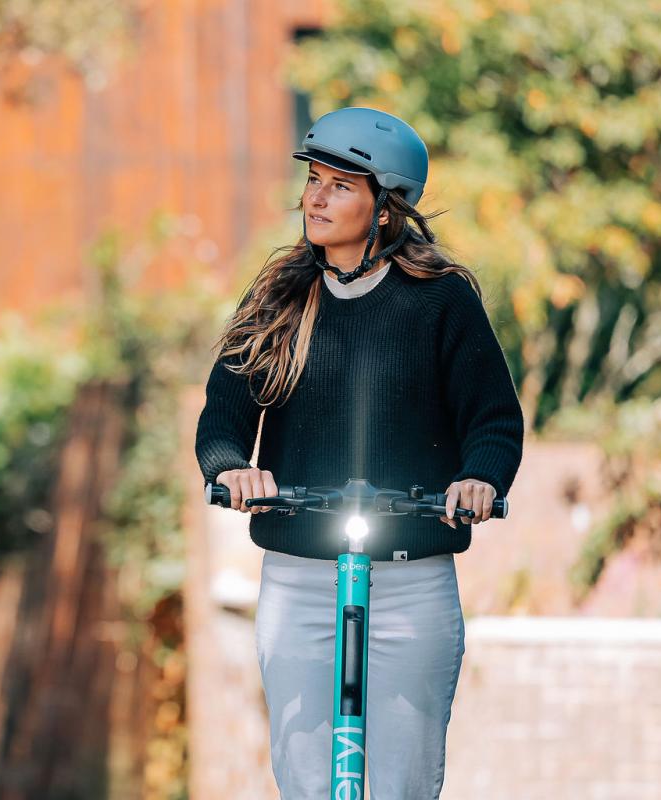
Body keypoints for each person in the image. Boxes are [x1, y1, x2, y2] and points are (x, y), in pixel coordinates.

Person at [192, 107, 525, 799]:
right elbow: (225, 413)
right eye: (314, 181)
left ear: (385, 207)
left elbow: (492, 419)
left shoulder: (440, 301)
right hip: (298, 577)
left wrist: (479, 480)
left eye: (340, 186)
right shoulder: (280, 296)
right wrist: (229, 467)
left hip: (412, 577)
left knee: (403, 783)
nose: (315, 197)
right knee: (307, 780)